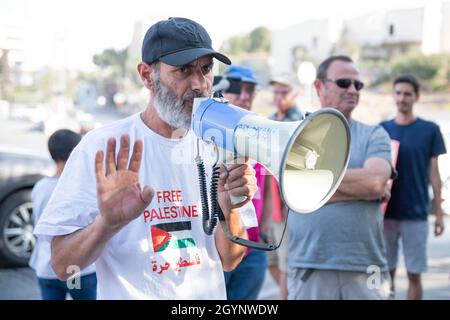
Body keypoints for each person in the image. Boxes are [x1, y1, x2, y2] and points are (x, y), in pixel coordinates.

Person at [33, 17, 257, 300]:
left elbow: (230, 260)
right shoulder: (103, 146)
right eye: (184, 70)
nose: (199, 83)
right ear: (146, 74)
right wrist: (107, 224)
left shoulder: (220, 145)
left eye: (206, 69)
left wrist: (230, 210)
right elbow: (63, 266)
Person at [287, 55, 393, 300]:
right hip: (310, 264)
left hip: (365, 266)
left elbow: (375, 182)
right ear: (318, 86)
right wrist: (363, 191)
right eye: (344, 83)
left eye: (359, 85)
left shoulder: (374, 134)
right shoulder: (294, 134)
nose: (353, 90)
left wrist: (308, 184)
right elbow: (288, 192)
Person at [380, 74, 447, 300]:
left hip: (416, 214)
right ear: (393, 96)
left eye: (407, 94)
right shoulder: (382, 129)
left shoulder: (430, 130)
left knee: (414, 274)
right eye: (398, 93)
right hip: (386, 214)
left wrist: (438, 213)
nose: (402, 98)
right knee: (385, 272)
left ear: (416, 97)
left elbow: (434, 174)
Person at [217, 65, 270, 300]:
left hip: (254, 249)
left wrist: (264, 233)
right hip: (219, 247)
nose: (245, 96)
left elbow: (267, 190)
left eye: (251, 90)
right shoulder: (206, 135)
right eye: (239, 88)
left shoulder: (261, 135)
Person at [29, 129, 97, 300]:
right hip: (79, 270)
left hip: (46, 268)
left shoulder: (40, 187)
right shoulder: (83, 189)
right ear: (77, 153)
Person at [266, 74, 304, 300]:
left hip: (287, 207)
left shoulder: (299, 121)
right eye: (276, 92)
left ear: (295, 94)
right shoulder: (269, 120)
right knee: (271, 262)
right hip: (267, 206)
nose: (279, 97)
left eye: (284, 92)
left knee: (286, 265)